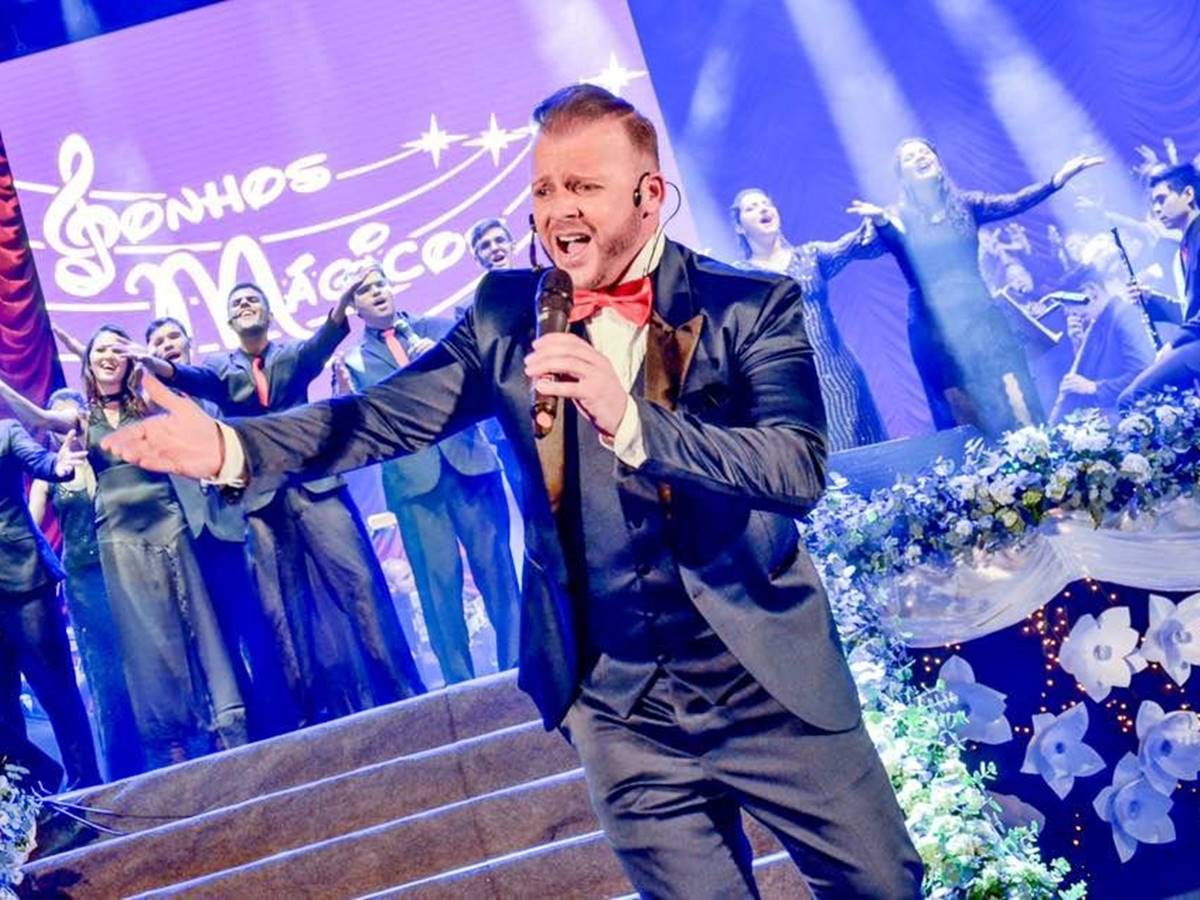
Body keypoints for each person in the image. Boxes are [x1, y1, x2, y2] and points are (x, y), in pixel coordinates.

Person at [103, 84, 921, 898]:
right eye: (544, 189)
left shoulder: (749, 304)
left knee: (882, 886)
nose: (558, 210)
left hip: (765, 680)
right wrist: (231, 446)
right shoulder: (506, 313)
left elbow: (793, 467)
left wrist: (630, 419)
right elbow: (382, 417)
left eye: (584, 186)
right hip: (619, 705)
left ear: (650, 196)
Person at [126, 283, 425, 725]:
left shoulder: (291, 356)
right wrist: (157, 366)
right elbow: (190, 378)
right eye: (237, 303)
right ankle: (308, 716)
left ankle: (401, 688)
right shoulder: (222, 370)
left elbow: (322, 343)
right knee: (282, 609)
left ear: (268, 314)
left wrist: (340, 308)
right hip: (263, 501)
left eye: (253, 300)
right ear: (230, 323)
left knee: (359, 582)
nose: (246, 305)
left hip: (315, 487)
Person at [336, 266, 521, 685]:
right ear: (355, 308)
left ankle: (519, 666)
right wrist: (345, 394)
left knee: (497, 570)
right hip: (414, 482)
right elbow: (359, 426)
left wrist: (444, 355)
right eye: (365, 290)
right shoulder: (355, 362)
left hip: (469, 461)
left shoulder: (440, 329)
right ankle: (460, 687)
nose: (377, 292)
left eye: (380, 283)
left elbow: (485, 381)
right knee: (439, 587)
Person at [848, 137, 1102, 435]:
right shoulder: (897, 216)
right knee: (960, 409)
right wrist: (879, 222)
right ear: (902, 176)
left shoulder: (967, 204)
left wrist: (1056, 181)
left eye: (924, 152)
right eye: (910, 157)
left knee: (1015, 396)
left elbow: (1014, 202)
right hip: (933, 325)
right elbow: (889, 243)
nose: (920, 157)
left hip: (979, 314)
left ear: (937, 161)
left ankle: (1038, 454)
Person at [84, 325, 248, 769]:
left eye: (117, 349)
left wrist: (148, 364)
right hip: (118, 534)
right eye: (100, 350)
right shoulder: (81, 419)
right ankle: (170, 734)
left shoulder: (148, 404)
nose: (109, 356)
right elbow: (41, 420)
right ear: (88, 362)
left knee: (196, 619)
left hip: (166, 518)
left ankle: (223, 722)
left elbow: (188, 413)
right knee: (147, 637)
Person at [145, 316, 291, 736]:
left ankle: (282, 714)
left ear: (189, 343)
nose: (168, 344)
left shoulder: (220, 391)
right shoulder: (150, 410)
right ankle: (249, 722)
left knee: (259, 621)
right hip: (189, 534)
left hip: (237, 521)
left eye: (174, 337)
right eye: (158, 341)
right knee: (219, 634)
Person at [26, 388, 141, 780]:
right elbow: (33, 529)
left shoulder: (105, 457)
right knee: (106, 674)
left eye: (70, 419)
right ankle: (124, 767)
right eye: (56, 422)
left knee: (143, 659)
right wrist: (49, 573)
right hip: (83, 579)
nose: (65, 429)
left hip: (128, 566)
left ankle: (166, 748)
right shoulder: (47, 475)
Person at [730, 188, 887, 450]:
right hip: (788, 386)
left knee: (861, 451)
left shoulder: (810, 256)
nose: (763, 209)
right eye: (751, 208)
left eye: (766, 203)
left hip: (838, 376)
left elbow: (857, 246)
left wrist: (879, 221)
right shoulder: (740, 276)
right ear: (739, 227)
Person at [0, 415, 100, 789]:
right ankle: (24, 797)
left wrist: (60, 465)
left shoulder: (6, 432)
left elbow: (44, 463)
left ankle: (86, 783)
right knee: (3, 706)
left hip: (24, 579)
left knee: (56, 689)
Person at [1119, 162, 1200, 407]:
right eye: (1153, 203)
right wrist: (1153, 302)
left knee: (1132, 399)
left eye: (1162, 199)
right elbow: (1191, 313)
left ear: (1188, 194)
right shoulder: (1185, 247)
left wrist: (1174, 344)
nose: (1156, 209)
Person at [467, 217, 525, 504]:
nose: (494, 248)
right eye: (485, 246)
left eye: (500, 240)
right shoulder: (468, 312)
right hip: (508, 426)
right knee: (533, 504)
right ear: (478, 258)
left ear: (513, 245)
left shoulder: (544, 283)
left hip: (564, 407)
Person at [1049, 272, 1156, 422]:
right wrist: (1078, 343)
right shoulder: (1095, 326)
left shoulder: (1124, 315)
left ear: (1092, 292)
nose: (1069, 313)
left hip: (1133, 416)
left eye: (1071, 305)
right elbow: (1088, 377)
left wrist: (1095, 388)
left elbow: (1144, 372)